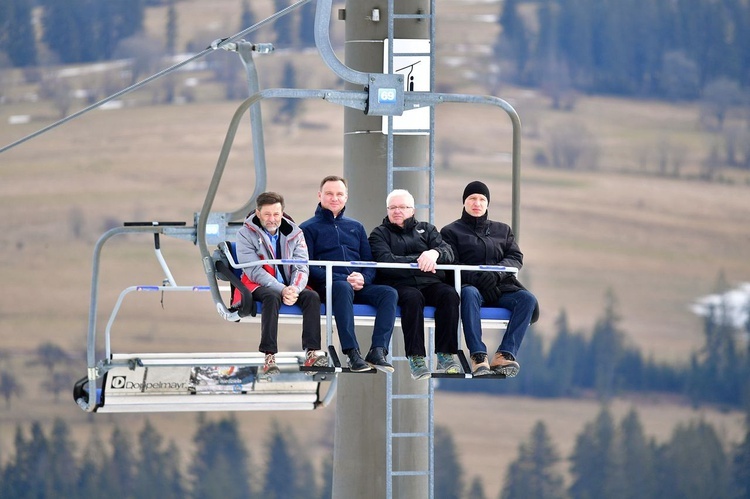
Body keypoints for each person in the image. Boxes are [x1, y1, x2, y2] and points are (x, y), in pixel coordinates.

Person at [300, 175, 398, 373]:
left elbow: (369, 262)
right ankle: (352, 353)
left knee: (389, 293)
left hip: (357, 285)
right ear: (320, 196)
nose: (334, 198)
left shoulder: (356, 227)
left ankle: (378, 350)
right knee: (343, 287)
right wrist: (339, 279)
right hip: (329, 285)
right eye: (329, 194)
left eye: (339, 194)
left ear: (346, 197)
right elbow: (307, 266)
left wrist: (364, 278)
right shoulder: (307, 228)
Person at [440, 181, 539, 377]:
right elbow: (451, 265)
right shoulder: (451, 232)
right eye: (472, 199)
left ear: (487, 204)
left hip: (501, 287)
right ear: (464, 203)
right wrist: (478, 279)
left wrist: (495, 274)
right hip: (471, 287)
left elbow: (515, 257)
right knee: (469, 293)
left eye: (482, 199)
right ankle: (478, 356)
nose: (477, 203)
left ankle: (505, 354)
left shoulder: (502, 230)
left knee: (527, 300)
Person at [368, 189, 462, 380]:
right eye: (393, 207)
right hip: (399, 284)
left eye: (403, 207)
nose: (397, 211)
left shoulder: (427, 230)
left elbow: (448, 253)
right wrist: (421, 260)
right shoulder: (379, 234)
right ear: (387, 210)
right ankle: (416, 358)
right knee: (413, 298)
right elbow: (386, 262)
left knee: (449, 295)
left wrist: (434, 254)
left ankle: (445, 355)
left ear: (412, 210)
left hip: (431, 283)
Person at [235, 191, 328, 375]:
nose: (272, 219)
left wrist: (294, 288)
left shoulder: (295, 233)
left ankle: (312, 353)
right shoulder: (245, 234)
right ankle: (269, 356)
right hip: (259, 284)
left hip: (288, 284)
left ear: (282, 213)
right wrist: (282, 288)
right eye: (267, 214)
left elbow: (302, 266)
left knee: (311, 297)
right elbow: (253, 270)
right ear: (258, 213)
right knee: (271, 297)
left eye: (276, 214)